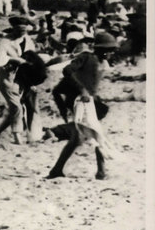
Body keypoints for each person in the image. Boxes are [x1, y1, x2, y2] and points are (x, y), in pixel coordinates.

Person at [47, 34, 118, 180]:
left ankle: (57, 169)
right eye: (108, 50)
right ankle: (101, 171)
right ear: (100, 49)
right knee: (95, 132)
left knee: (79, 138)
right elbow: (67, 70)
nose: (111, 53)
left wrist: (94, 95)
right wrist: (82, 89)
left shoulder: (103, 62)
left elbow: (92, 82)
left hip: (90, 102)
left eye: (112, 50)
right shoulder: (86, 57)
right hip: (78, 101)